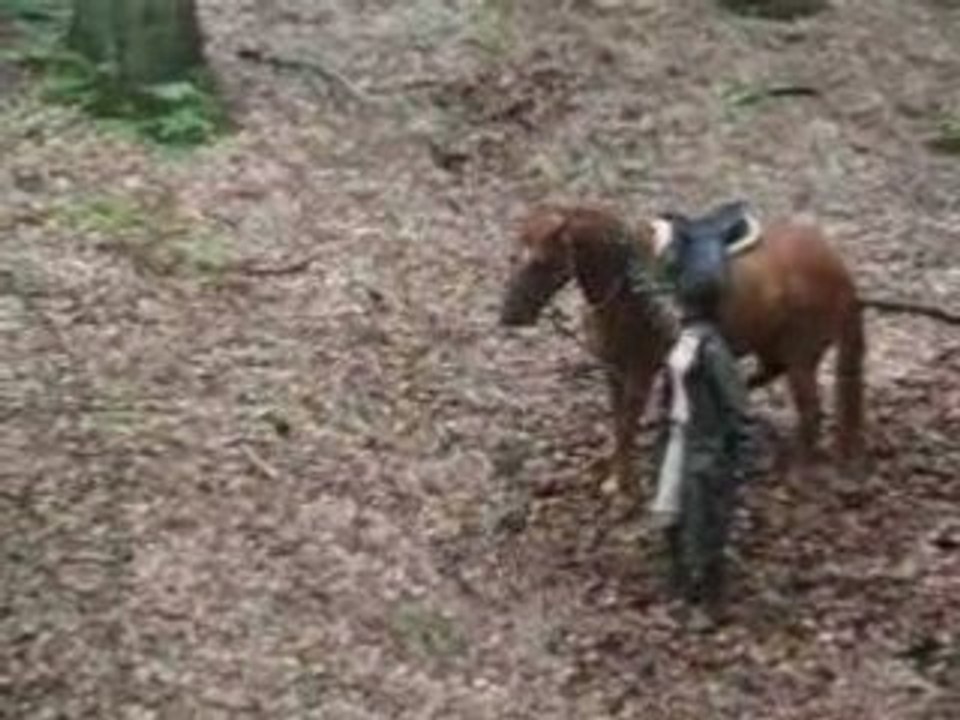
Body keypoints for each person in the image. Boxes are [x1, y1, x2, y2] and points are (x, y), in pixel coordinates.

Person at [649, 214, 758, 626]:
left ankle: (708, 606)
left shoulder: (712, 349)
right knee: (669, 515)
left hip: (705, 448)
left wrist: (737, 466)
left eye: (683, 301)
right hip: (677, 440)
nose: (679, 306)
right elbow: (671, 392)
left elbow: (740, 410)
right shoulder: (683, 342)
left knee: (705, 525)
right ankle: (679, 595)